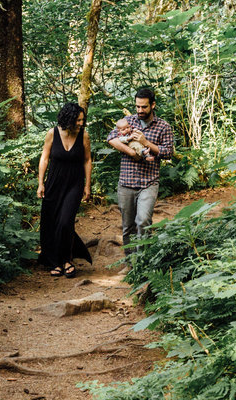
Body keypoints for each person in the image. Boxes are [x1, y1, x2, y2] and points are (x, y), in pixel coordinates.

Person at [107, 88, 174, 255]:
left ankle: (143, 261)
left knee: (143, 221)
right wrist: (131, 153)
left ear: (153, 105)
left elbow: (167, 153)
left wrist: (146, 143)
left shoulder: (163, 126)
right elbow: (111, 138)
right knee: (128, 226)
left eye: (143, 107)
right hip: (126, 183)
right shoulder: (128, 122)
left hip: (149, 182)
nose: (139, 111)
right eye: (137, 106)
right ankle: (131, 263)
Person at [37, 102, 93, 278]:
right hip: (54, 183)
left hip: (74, 184)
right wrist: (40, 183)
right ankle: (55, 262)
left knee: (65, 221)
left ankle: (67, 259)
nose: (80, 123)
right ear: (68, 119)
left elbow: (87, 160)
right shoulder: (52, 134)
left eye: (82, 120)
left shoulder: (84, 136)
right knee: (50, 222)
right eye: (78, 120)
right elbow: (44, 159)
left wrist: (87, 185)